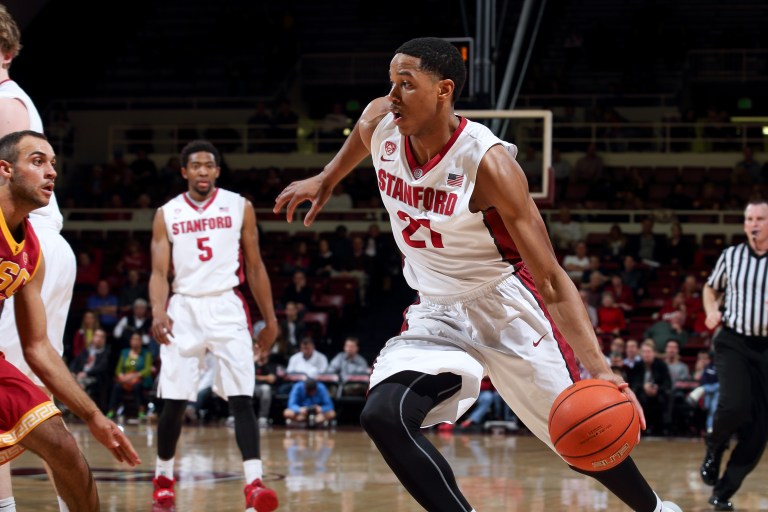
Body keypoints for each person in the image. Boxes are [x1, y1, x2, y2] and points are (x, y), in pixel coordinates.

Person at [274, 37, 681, 512]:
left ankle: (656, 509)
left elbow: (550, 278)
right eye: (391, 83)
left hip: (507, 308)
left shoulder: (488, 164)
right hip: (436, 310)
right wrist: (325, 178)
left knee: (578, 435)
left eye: (407, 84)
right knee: (383, 415)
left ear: (444, 90)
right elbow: (361, 133)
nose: (393, 95)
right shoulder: (381, 121)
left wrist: (603, 369)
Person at [0, 131, 140, 512]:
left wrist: (94, 416)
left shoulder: (31, 251)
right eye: (37, 161)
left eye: (54, 164)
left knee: (62, 446)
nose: (51, 173)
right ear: (5, 169)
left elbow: (37, 346)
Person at [149, 139, 279, 511]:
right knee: (173, 401)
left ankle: (254, 484)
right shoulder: (166, 213)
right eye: (196, 165)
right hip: (184, 307)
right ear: (184, 172)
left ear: (217, 171)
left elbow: (255, 267)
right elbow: (158, 272)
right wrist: (159, 310)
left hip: (227, 304)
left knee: (242, 398)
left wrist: (269, 320)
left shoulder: (240, 206)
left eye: (209, 165)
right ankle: (163, 479)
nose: (203, 171)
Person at [0, 9, 81, 511]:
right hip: (31, 244)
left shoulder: (7, 101)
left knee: (14, 396)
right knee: (29, 399)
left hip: (28, 245)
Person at [699, 199, 768, 511]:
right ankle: (715, 443)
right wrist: (712, 310)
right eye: (749, 218)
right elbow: (710, 288)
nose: (754, 223)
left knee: (760, 431)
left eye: (760, 218)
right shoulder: (732, 256)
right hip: (734, 341)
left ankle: (722, 493)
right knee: (735, 404)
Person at [106, 332, 153, 421]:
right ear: (130, 341)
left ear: (141, 342)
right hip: (125, 379)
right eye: (133, 339)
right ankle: (112, 410)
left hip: (140, 378)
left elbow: (147, 369)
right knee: (117, 387)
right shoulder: (124, 352)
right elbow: (118, 369)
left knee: (138, 386)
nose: (135, 342)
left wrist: (134, 376)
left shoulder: (146, 353)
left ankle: (141, 411)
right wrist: (122, 377)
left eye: (137, 340)